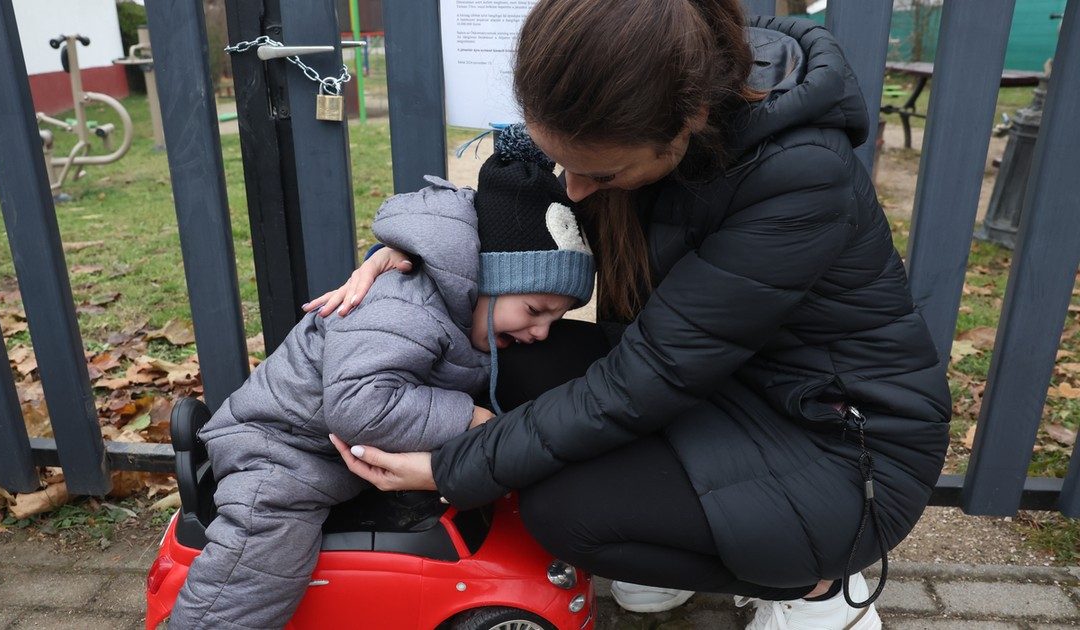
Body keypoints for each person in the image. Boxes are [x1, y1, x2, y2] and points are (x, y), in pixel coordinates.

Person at [316, 2, 951, 629]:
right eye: (566, 163)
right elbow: (504, 206)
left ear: (691, 121)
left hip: (836, 442)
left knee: (566, 513)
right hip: (720, 385)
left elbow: (649, 380)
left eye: (601, 173)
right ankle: (685, 544)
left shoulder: (799, 174)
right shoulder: (632, 94)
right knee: (517, 356)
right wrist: (407, 251)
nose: (574, 191)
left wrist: (450, 470)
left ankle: (815, 584)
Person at [169, 135, 596, 629]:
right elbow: (359, 406)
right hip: (277, 447)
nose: (541, 331)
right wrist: (470, 419)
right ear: (485, 280)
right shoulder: (402, 307)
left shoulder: (465, 313)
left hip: (336, 450)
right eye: (535, 310)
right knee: (263, 555)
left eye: (555, 316)